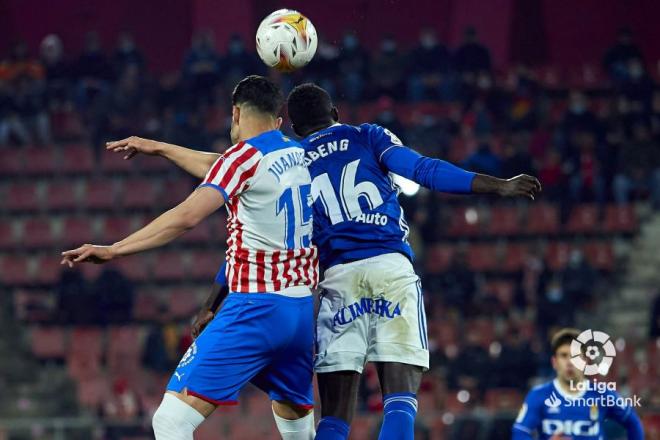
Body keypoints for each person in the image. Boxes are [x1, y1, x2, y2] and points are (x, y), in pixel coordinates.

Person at [110, 82, 541, 440]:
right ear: (335, 111)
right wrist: (495, 186)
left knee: (334, 415)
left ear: (290, 125)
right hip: (390, 267)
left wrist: (215, 297)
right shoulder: (368, 135)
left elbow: (258, 236)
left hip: (336, 279)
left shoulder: (292, 161)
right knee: (400, 399)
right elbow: (423, 170)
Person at [62, 75, 318, 440]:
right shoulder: (296, 154)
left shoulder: (242, 159)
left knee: (169, 422)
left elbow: (186, 217)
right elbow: (223, 166)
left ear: (235, 113)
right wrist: (161, 148)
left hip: (255, 309)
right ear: (278, 119)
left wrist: (114, 249)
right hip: (299, 313)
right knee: (299, 433)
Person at [512, 328, 644, 439]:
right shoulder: (539, 395)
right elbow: (520, 432)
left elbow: (633, 423)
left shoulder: (602, 394)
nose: (570, 362)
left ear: (585, 361)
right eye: (564, 356)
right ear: (554, 362)